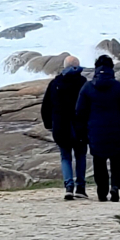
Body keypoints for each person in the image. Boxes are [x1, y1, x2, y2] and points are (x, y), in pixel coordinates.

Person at [75, 54, 120, 202]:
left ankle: (102, 192)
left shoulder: (88, 87)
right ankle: (115, 187)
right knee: (117, 160)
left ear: (96, 68)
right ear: (112, 69)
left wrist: (85, 129)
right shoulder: (119, 87)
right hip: (117, 129)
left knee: (99, 161)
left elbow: (79, 111)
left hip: (96, 131)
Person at [41, 55, 89, 200]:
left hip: (61, 127)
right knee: (81, 156)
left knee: (65, 157)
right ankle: (80, 187)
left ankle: (69, 186)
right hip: (80, 127)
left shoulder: (55, 83)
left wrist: (49, 125)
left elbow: (46, 107)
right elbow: (89, 106)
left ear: (64, 66)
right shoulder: (83, 82)